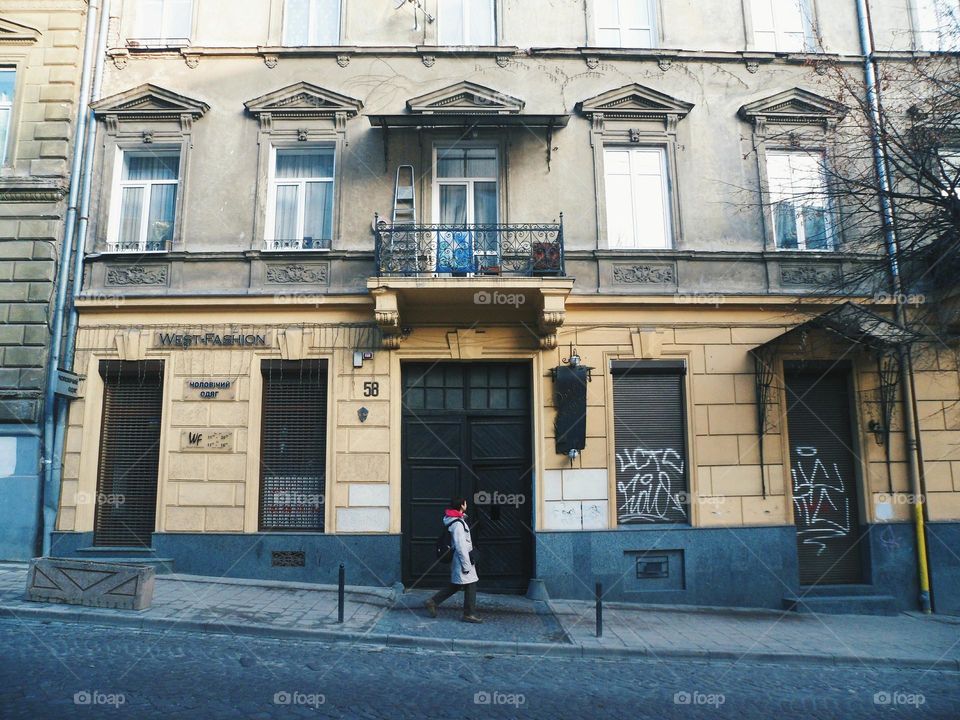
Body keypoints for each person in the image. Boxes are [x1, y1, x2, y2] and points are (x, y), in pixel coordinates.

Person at [425, 497, 482, 623]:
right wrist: (466, 565)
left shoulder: (457, 520)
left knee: (458, 584)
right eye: (465, 503)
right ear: (462, 505)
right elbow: (461, 546)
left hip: (462, 558)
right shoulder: (457, 524)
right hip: (463, 559)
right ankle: (469, 614)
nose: (467, 505)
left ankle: (433, 601)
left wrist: (462, 515)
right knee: (470, 583)